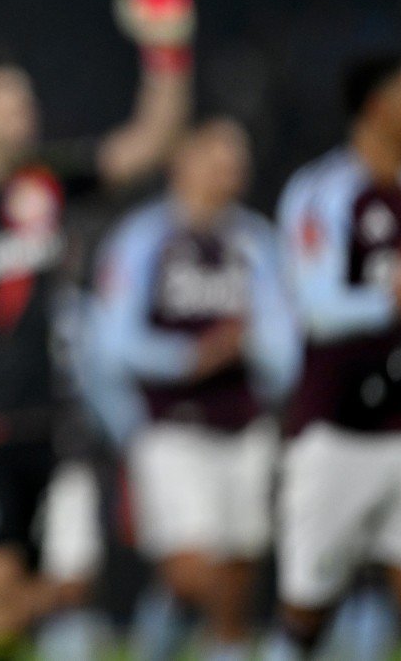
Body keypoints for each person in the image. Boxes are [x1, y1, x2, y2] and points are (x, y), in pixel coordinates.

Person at [0, 0, 195, 660]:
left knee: (66, 589)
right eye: (11, 101)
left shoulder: (44, 182)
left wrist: (168, 54)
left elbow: (149, 143)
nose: (27, 111)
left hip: (55, 428)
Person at [92, 118, 300, 661]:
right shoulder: (142, 239)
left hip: (245, 428)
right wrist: (193, 358)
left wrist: (250, 347)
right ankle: (162, 620)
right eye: (218, 157)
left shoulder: (255, 241)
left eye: (237, 160)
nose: (230, 171)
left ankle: (201, 644)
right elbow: (113, 342)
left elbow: (284, 348)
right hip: (173, 430)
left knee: (237, 578)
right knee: (191, 574)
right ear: (183, 161)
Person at [269, 52, 401, 660]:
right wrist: (397, 305)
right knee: (305, 614)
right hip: (337, 429)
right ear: (379, 107)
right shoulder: (324, 192)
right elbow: (316, 308)